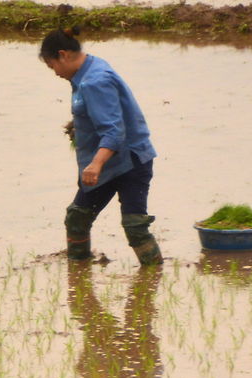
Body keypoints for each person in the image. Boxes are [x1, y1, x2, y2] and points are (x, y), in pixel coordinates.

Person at [39, 27, 161, 265]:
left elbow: (114, 131)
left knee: (135, 227)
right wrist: (79, 125)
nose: (54, 73)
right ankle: (79, 277)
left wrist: (95, 165)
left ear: (63, 55)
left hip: (129, 162)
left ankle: (154, 277)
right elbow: (104, 113)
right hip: (108, 162)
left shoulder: (95, 80)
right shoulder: (87, 69)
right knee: (77, 218)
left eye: (52, 66)